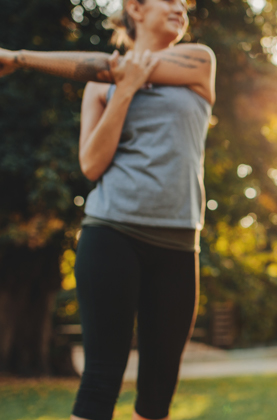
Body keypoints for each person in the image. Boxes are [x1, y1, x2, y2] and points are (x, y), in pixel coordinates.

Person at [0, 0, 216, 419]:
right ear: (135, 7)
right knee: (101, 379)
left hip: (177, 242)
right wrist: (126, 91)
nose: (179, 7)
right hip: (111, 232)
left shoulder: (198, 62)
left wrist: (18, 58)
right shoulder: (99, 87)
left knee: (158, 392)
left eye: (183, 3)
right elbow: (91, 165)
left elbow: (110, 65)